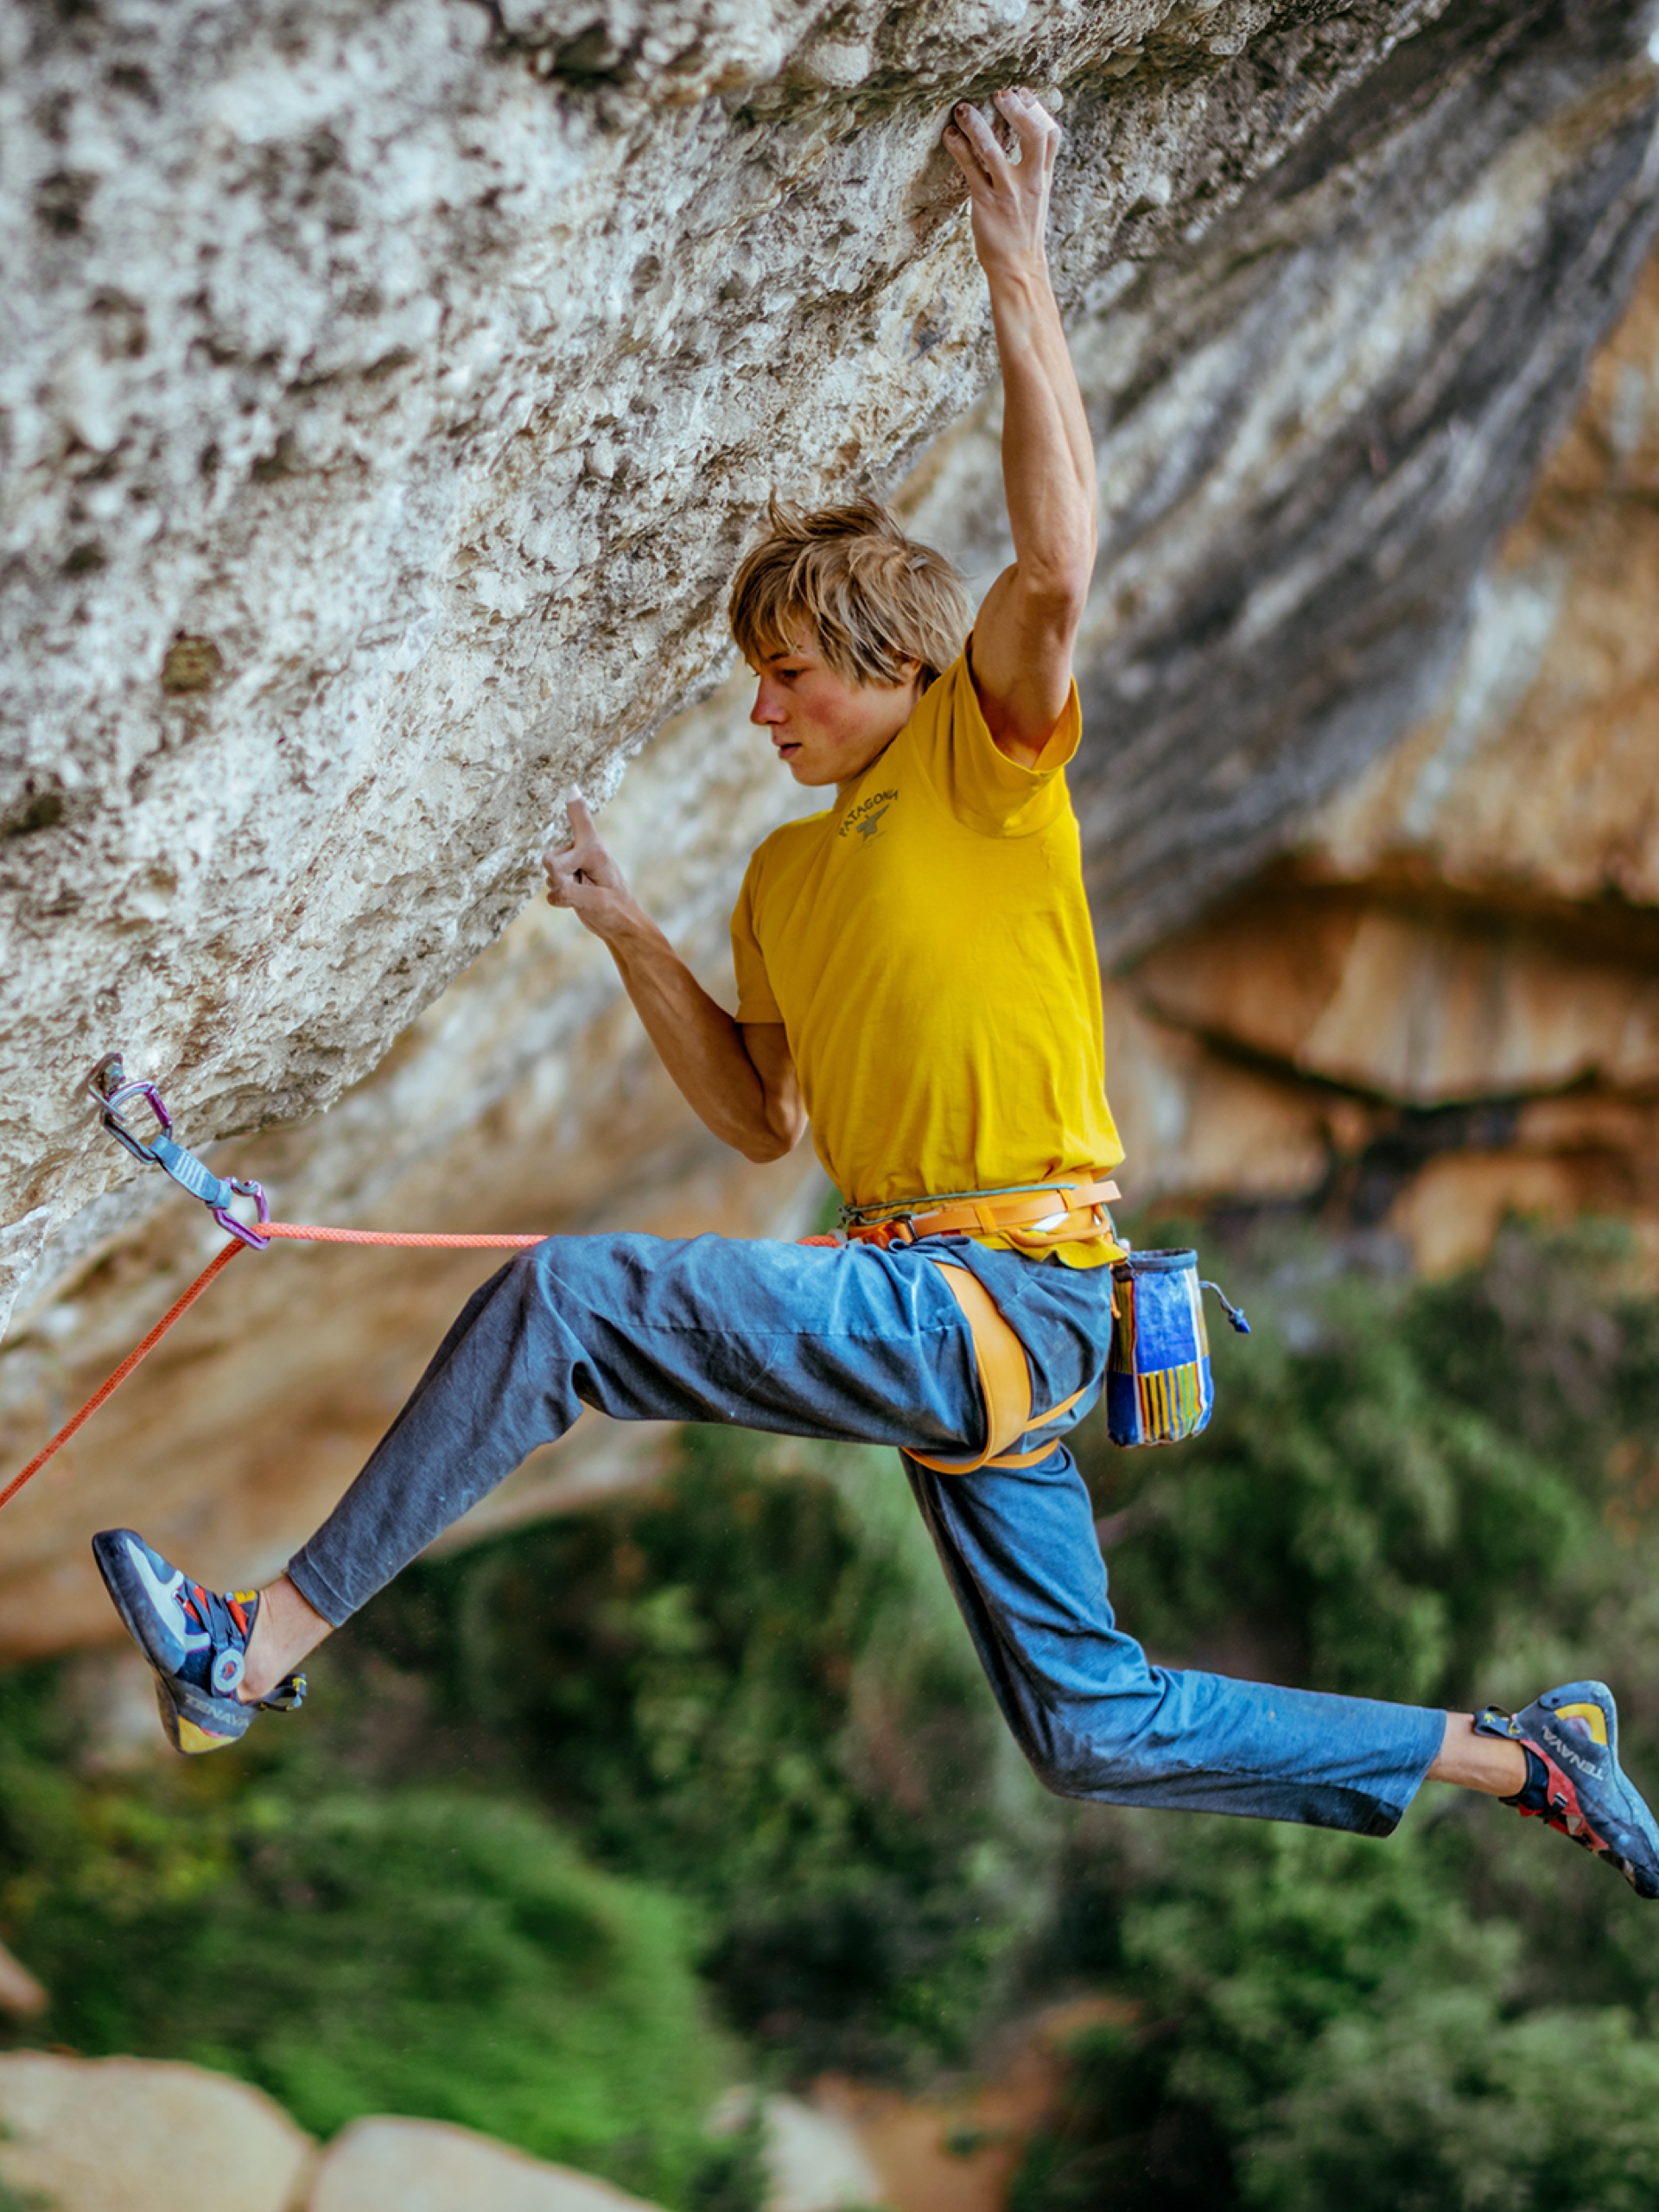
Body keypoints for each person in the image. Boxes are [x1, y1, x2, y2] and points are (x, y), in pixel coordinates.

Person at [93, 87, 1658, 1897]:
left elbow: (1058, 559)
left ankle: (254, 1646)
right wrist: (627, 927)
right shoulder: (782, 877)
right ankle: (1512, 1752)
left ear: (891, 664)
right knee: (1092, 1725)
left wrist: (1017, 247)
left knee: (570, 1302)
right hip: (944, 1304)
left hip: (1013, 1292)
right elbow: (764, 1116)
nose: (762, 715)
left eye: (788, 679)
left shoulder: (981, 762)